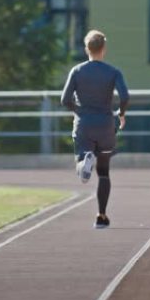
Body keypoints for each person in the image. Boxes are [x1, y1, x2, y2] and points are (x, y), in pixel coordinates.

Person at [60, 30, 129, 229]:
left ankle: (84, 161)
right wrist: (121, 113)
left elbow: (64, 100)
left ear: (86, 49)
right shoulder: (113, 72)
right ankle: (101, 216)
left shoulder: (77, 71)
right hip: (106, 125)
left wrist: (79, 110)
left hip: (84, 124)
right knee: (104, 172)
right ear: (103, 49)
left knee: (81, 159)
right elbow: (124, 96)